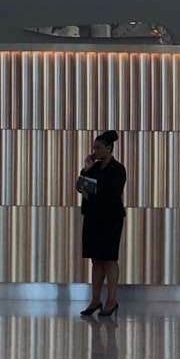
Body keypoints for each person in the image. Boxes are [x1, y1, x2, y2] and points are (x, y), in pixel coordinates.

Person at [77, 130, 126, 317]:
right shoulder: (94, 169)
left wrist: (92, 188)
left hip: (110, 218)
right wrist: (86, 170)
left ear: (109, 148)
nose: (94, 151)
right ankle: (95, 299)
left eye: (98, 148)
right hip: (93, 217)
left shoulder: (117, 169)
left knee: (109, 259)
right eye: (93, 148)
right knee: (96, 259)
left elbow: (109, 193)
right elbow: (81, 186)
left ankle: (111, 300)